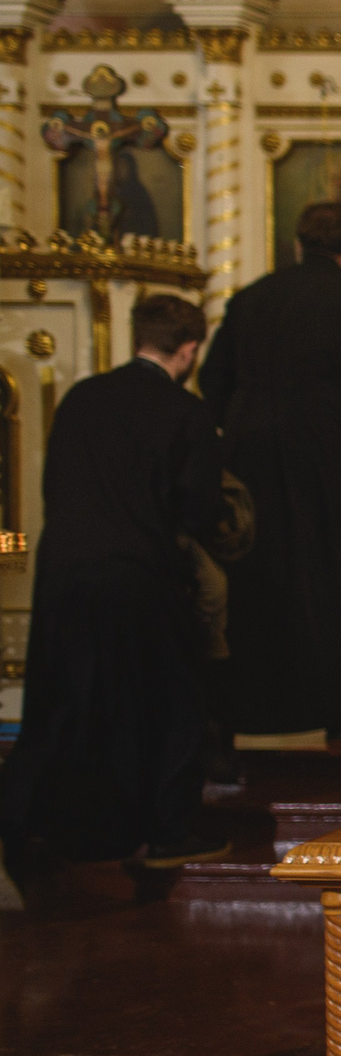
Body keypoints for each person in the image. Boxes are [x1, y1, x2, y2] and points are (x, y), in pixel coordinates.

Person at [0, 294, 228, 872]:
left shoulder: (82, 398)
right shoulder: (187, 413)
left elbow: (55, 482)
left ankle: (24, 828)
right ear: (190, 349)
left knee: (59, 703)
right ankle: (168, 833)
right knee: (172, 703)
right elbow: (199, 512)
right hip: (136, 574)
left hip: (63, 569)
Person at [199, 198, 341, 740]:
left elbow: (213, 380)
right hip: (332, 462)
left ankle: (251, 708)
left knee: (257, 582)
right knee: (338, 582)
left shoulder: (250, 299)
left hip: (251, 463)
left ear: (298, 245)